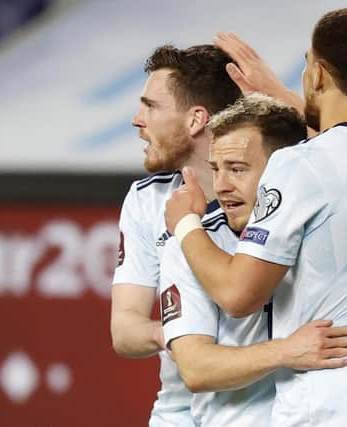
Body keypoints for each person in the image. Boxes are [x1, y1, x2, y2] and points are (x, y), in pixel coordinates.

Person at [166, 8, 347, 426]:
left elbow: (237, 294)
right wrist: (279, 95)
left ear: (318, 75)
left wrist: (187, 225)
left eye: (306, 65)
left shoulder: (296, 165)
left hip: (340, 392)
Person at [160, 93, 347, 426]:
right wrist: (287, 351)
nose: (222, 186)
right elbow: (195, 367)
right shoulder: (191, 244)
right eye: (216, 169)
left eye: (237, 169)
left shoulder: (327, 234)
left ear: (283, 172)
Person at [109, 44, 242, 426]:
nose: (137, 119)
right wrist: (186, 335)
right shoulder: (146, 200)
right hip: (179, 412)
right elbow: (125, 330)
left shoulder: (274, 192)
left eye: (151, 106)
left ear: (196, 119)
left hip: (266, 407)